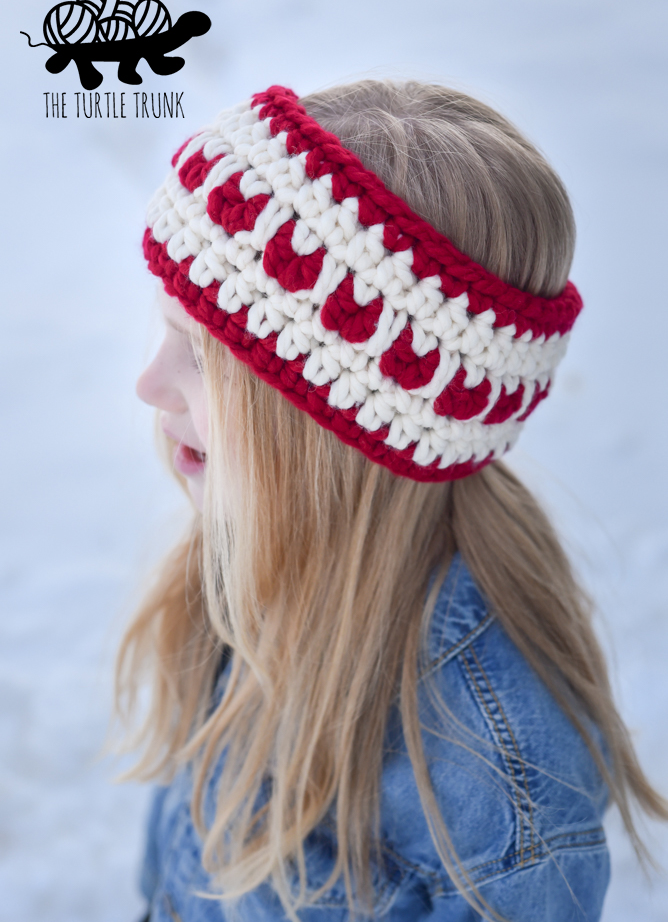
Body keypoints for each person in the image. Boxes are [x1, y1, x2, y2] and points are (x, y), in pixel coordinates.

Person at [117, 82, 667, 921]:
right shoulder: (250, 550)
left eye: (201, 356)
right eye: (161, 331)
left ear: (333, 433)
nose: (148, 384)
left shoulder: (496, 777)